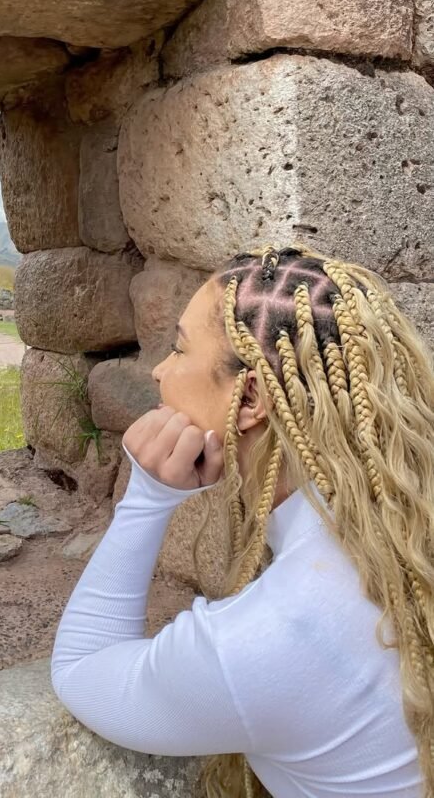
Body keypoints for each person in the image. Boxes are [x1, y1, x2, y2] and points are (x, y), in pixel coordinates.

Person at [51, 243, 434, 798]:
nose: (159, 370)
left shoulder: (262, 637)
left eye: (179, 350)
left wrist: (146, 497)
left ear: (250, 396)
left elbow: (82, 670)